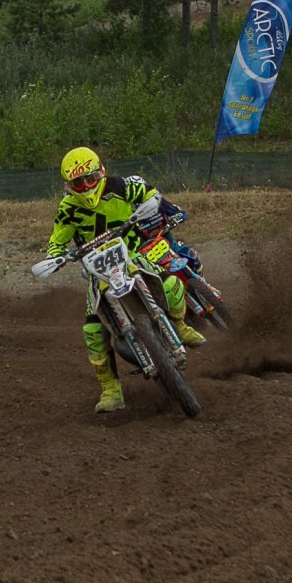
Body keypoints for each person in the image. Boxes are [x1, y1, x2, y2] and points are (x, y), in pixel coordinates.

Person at [44, 147, 206, 414]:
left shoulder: (120, 186)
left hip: (132, 255)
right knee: (92, 331)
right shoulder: (67, 209)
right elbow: (56, 240)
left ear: (101, 172)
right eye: (78, 183)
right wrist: (55, 258)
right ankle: (110, 390)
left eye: (90, 178)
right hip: (98, 272)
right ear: (69, 186)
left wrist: (151, 202)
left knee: (171, 284)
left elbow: (149, 192)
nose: (86, 186)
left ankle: (179, 325)